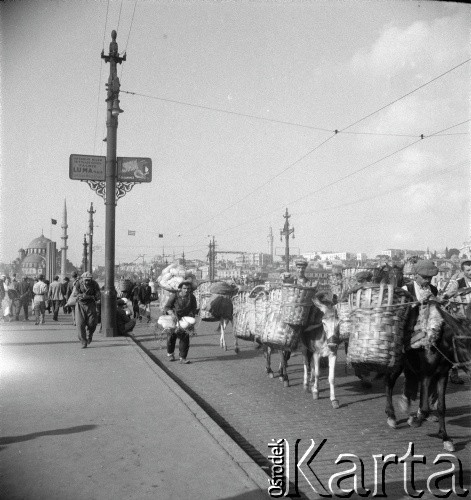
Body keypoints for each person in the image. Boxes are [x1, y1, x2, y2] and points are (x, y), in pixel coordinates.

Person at [440, 259, 471, 385]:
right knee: (456, 344)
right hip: (461, 319)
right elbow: (446, 294)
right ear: (463, 271)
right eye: (468, 270)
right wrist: (444, 298)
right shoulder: (457, 283)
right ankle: (454, 372)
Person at [162, 280, 197, 364]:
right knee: (171, 336)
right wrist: (172, 314)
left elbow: (194, 308)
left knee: (185, 337)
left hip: (185, 319)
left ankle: (183, 357)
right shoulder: (174, 296)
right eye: (184, 288)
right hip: (174, 318)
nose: (186, 290)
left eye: (188, 288)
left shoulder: (192, 297)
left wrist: (191, 314)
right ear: (181, 289)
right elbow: (167, 307)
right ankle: (170, 354)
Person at [74, 272, 101, 348]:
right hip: (80, 305)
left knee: (92, 322)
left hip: (91, 304)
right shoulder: (78, 283)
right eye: (85, 280)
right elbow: (75, 293)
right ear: (82, 279)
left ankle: (90, 335)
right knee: (80, 324)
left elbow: (98, 294)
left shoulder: (94, 284)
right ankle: (83, 341)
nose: (87, 282)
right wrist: (81, 295)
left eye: (89, 280)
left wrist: (94, 297)